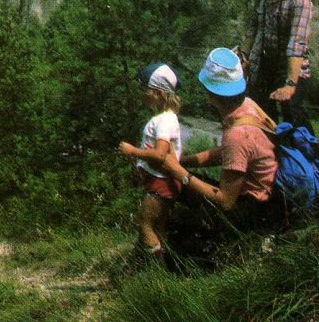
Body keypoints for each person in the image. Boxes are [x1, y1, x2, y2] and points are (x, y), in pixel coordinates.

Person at [162, 47, 284, 231]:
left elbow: (225, 201)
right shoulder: (248, 106)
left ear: (210, 94)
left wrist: (178, 171)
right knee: (181, 181)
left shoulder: (237, 134)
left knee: (177, 218)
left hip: (256, 211)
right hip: (271, 198)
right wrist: (183, 162)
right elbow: (229, 152)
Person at [242, 0, 314, 133]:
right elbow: (252, 30)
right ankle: (272, 149)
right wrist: (243, 57)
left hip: (292, 69)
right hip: (265, 66)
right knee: (262, 115)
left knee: (292, 112)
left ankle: (308, 148)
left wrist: (290, 85)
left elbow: (297, 43)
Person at [118, 62, 182, 259]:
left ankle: (156, 267)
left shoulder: (164, 120)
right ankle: (159, 264)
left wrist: (133, 151)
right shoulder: (166, 118)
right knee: (158, 226)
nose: (141, 93)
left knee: (144, 224)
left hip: (160, 182)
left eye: (145, 89)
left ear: (158, 93)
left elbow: (160, 154)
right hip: (162, 181)